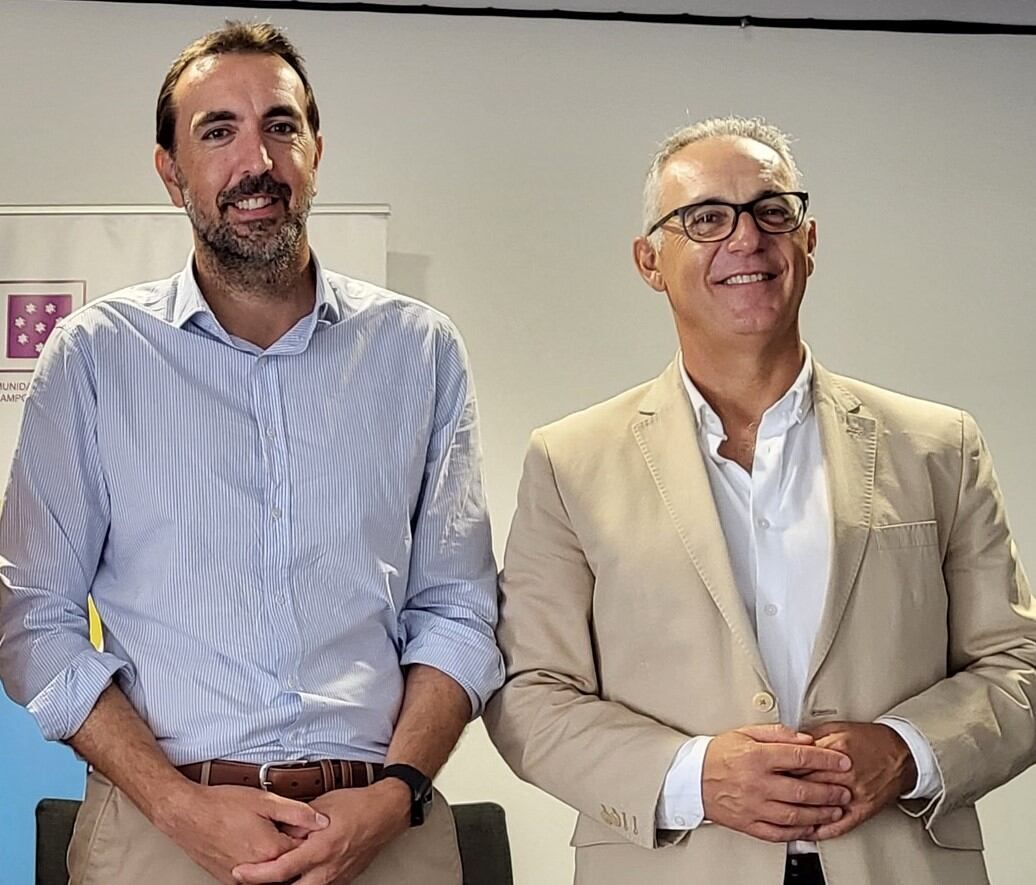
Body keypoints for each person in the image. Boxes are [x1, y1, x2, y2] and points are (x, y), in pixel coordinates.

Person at [0, 22, 502, 885]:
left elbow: (458, 609)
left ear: (314, 150)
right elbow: (32, 623)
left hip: (383, 828)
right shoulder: (92, 357)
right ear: (170, 172)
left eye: (280, 124)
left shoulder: (418, 350)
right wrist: (176, 805)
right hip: (161, 836)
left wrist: (395, 794)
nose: (256, 160)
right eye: (217, 131)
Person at [483, 116, 1036, 885]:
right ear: (650, 259)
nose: (746, 238)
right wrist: (693, 774)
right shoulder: (569, 462)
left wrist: (907, 749)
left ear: (809, 241)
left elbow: (1019, 665)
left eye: (772, 211)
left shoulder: (940, 446)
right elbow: (528, 695)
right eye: (706, 218)